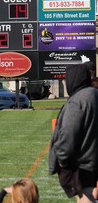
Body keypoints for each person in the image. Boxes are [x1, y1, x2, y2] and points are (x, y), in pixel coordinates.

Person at [49, 64, 98, 203]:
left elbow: (69, 133)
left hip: (81, 162)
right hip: (93, 157)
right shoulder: (94, 94)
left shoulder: (77, 101)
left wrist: (62, 158)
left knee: (85, 197)